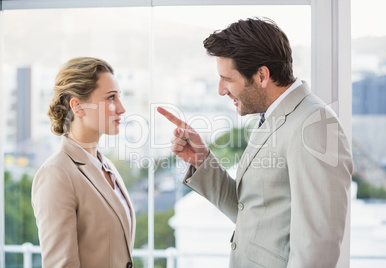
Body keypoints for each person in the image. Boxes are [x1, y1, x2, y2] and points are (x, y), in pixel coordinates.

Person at [158, 17, 353, 267]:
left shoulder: (313, 126)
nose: (221, 89)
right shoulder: (273, 116)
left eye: (227, 79)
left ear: (262, 75)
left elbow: (317, 251)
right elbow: (251, 210)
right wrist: (201, 160)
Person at [32, 57, 135, 268]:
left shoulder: (106, 166)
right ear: (77, 106)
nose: (121, 108)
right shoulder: (56, 173)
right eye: (111, 98)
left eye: (119, 97)